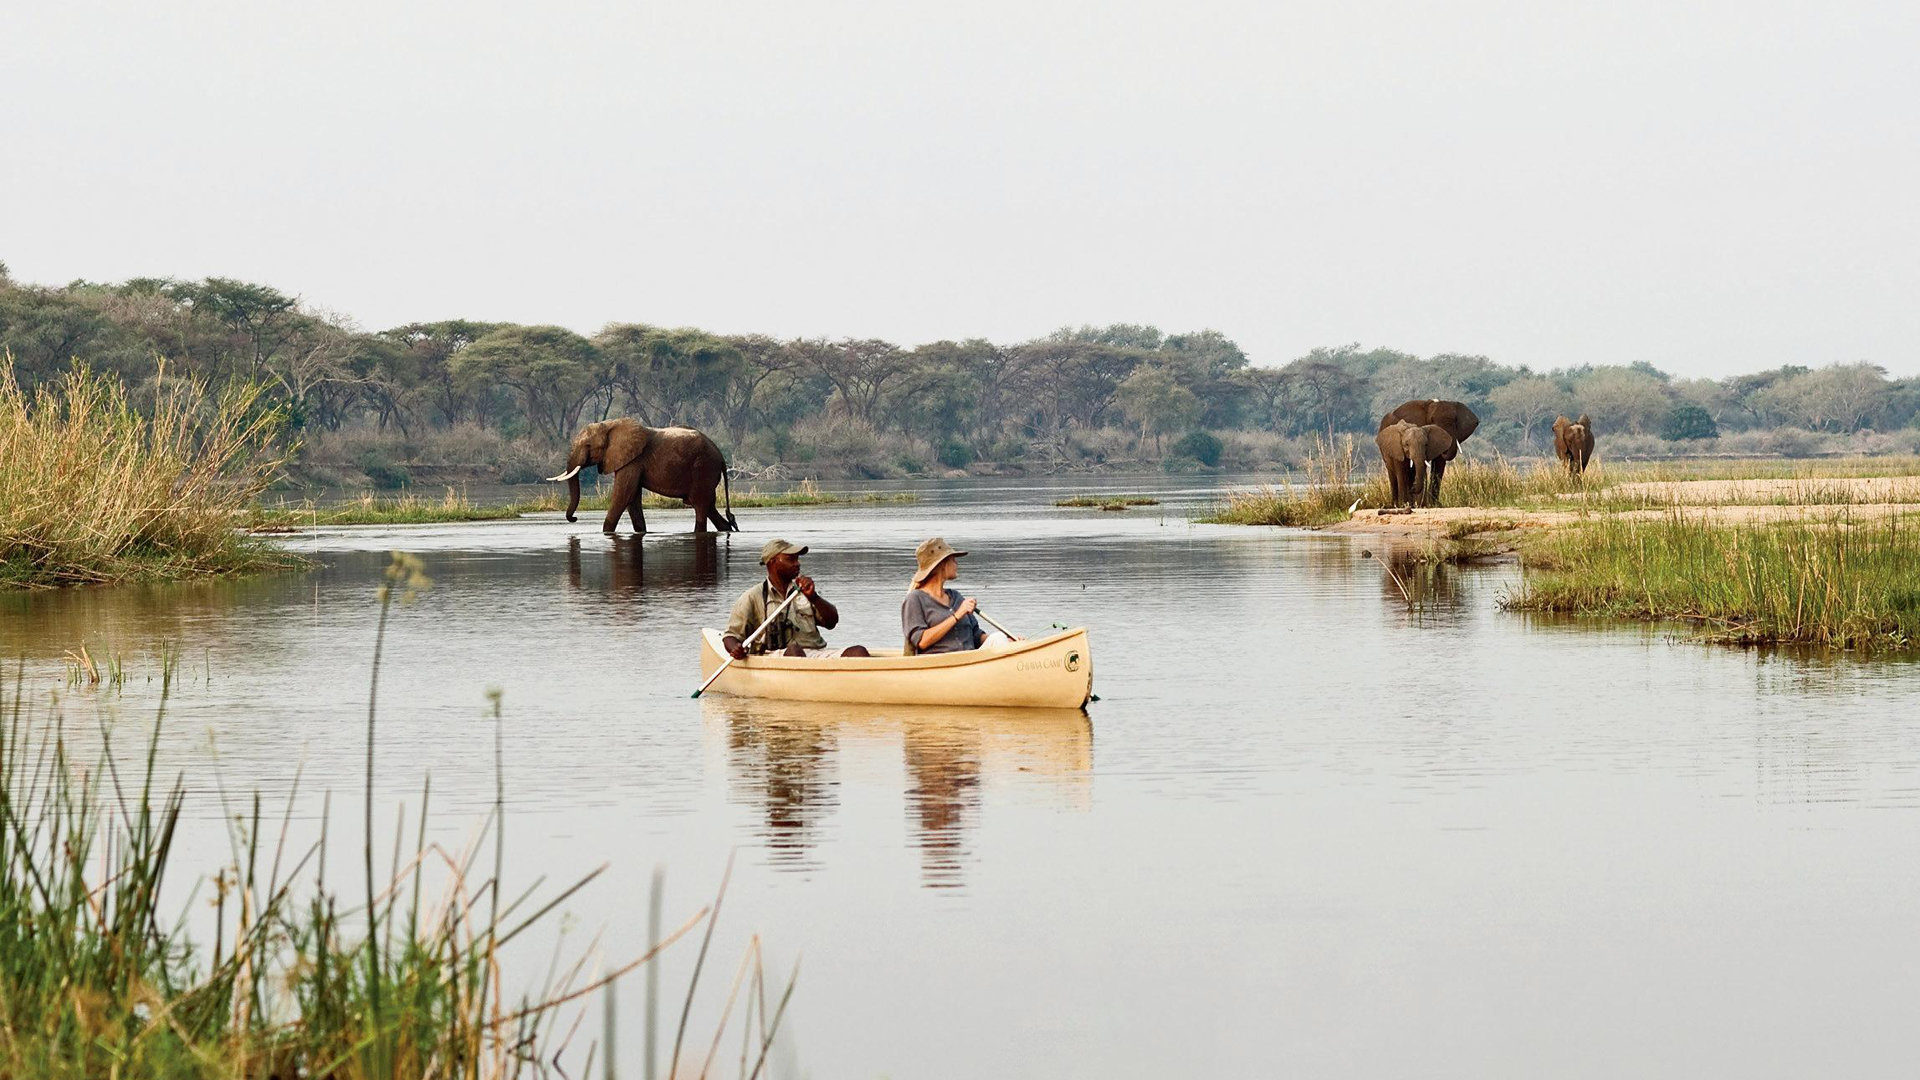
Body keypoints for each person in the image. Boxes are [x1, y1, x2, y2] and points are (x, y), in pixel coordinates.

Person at [723, 539, 869, 659]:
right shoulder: (752, 596)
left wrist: (814, 597)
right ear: (772, 562)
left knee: (859, 652)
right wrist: (735, 649)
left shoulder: (803, 591)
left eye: (797, 559)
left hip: (814, 653)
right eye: (790, 559)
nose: (797, 563)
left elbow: (832, 622)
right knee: (794, 651)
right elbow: (730, 637)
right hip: (774, 657)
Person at [901, 537, 1011, 654]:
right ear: (942, 565)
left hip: (970, 660)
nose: (956, 564)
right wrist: (957, 615)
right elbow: (921, 641)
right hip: (941, 664)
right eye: (953, 560)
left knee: (998, 637)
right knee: (999, 638)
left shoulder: (956, 596)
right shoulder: (915, 599)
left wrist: (1007, 643)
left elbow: (976, 636)